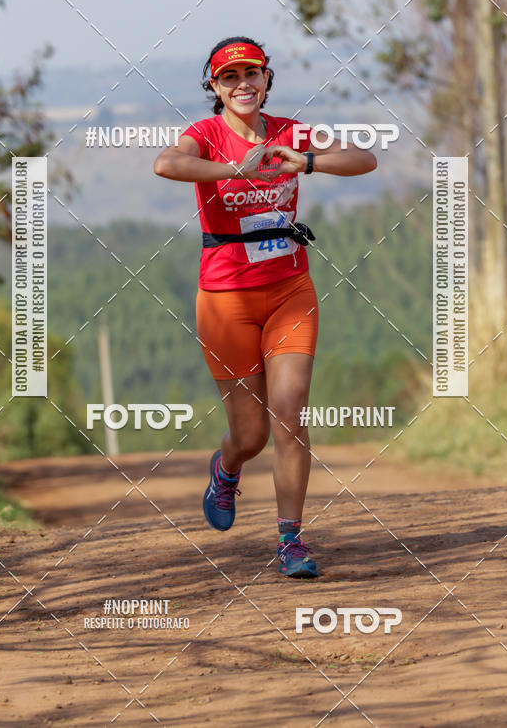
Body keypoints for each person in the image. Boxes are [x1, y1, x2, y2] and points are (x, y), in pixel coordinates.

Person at [154, 36, 376, 578]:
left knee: (291, 413)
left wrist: (307, 161)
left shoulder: (289, 130)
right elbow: (166, 164)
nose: (242, 84)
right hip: (226, 298)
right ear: (214, 86)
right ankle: (226, 468)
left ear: (267, 79)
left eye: (252, 73)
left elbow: (364, 158)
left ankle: (290, 540)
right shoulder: (205, 135)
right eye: (229, 77)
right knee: (251, 435)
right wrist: (236, 172)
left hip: (289, 291)